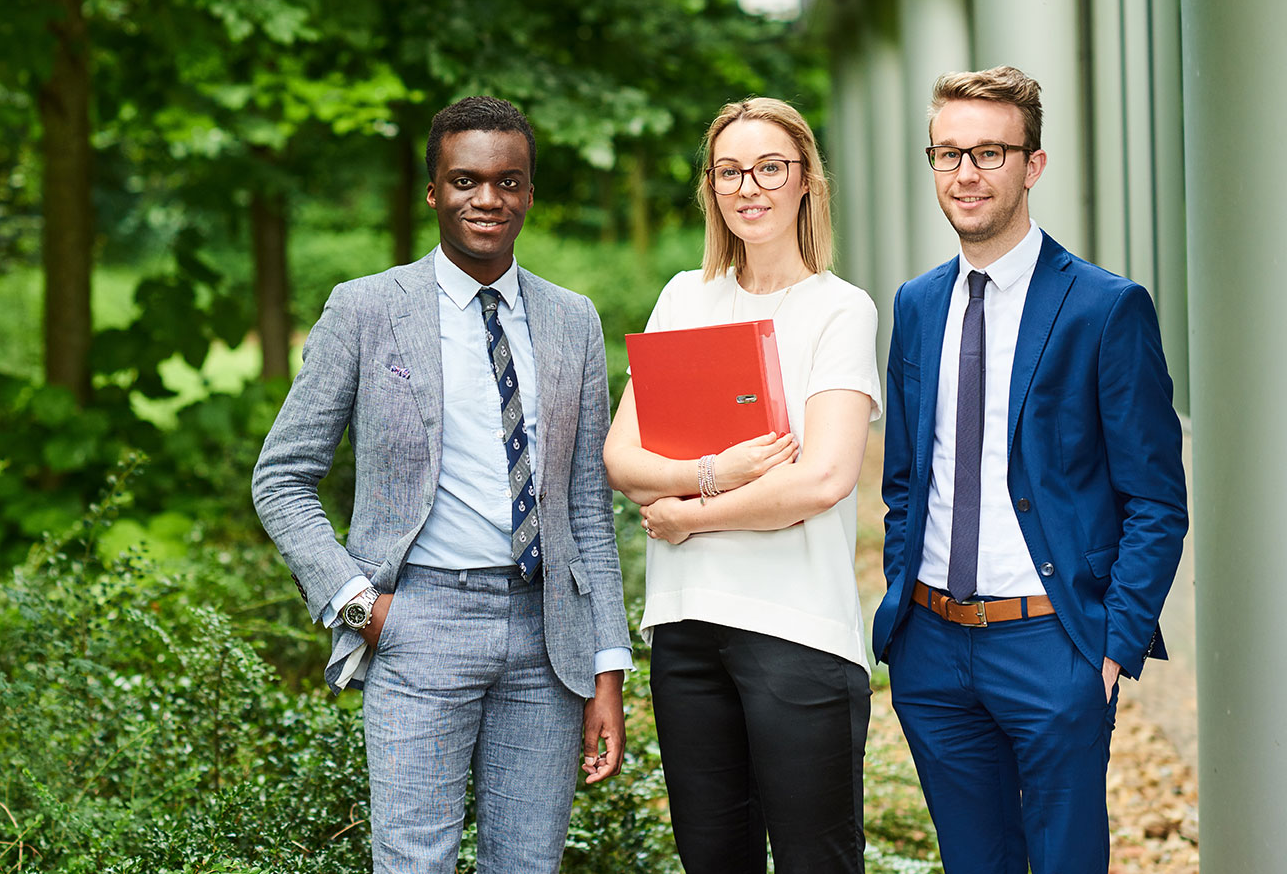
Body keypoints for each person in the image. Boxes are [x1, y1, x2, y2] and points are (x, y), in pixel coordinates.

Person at [251, 95, 631, 874]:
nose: (486, 199)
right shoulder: (364, 310)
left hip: (546, 640)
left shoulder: (573, 321)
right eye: (465, 180)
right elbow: (282, 476)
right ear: (433, 192)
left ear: (528, 192)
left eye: (508, 181)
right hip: (418, 623)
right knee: (413, 864)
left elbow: (587, 509)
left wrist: (607, 667)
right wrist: (360, 606)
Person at [872, 66, 1188, 874]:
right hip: (933, 648)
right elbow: (907, 479)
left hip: (1054, 642)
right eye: (948, 154)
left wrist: (1110, 647)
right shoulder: (917, 303)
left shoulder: (1105, 308)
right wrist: (901, 615)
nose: (966, 174)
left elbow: (1155, 498)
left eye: (989, 152)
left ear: (1032, 165)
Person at [604, 97, 881, 873]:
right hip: (686, 628)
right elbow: (621, 459)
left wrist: (688, 515)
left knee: (814, 860)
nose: (748, 186)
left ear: (805, 182)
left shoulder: (839, 310)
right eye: (729, 171)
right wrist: (717, 475)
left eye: (769, 167)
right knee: (712, 858)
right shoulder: (682, 299)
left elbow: (821, 477)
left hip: (797, 632)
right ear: (710, 188)